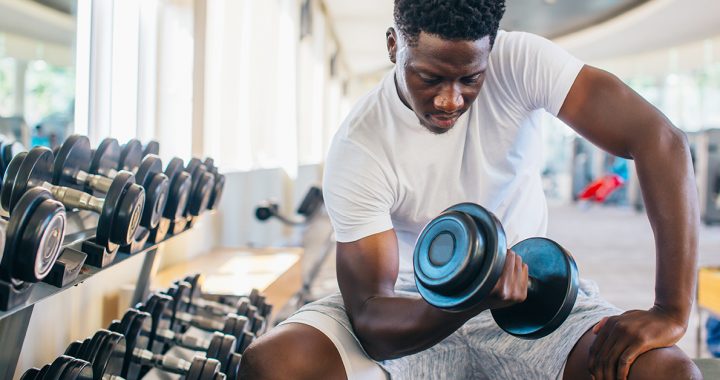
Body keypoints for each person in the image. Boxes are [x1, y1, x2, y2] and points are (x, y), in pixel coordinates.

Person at [240, 1, 701, 379]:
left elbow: (661, 141)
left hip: (531, 298)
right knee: (276, 364)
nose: (450, 100)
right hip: (408, 308)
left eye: (470, 79)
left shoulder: (522, 61)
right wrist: (474, 296)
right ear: (393, 45)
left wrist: (671, 309)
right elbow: (371, 319)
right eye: (431, 77)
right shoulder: (361, 145)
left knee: (667, 373)